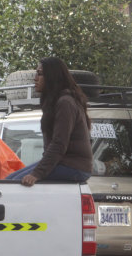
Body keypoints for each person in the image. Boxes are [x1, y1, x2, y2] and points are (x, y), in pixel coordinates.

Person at [6, 57, 93, 186]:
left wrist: (37, 173)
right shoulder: (56, 101)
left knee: (13, 184)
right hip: (64, 163)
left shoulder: (65, 102)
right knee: (8, 180)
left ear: (52, 77)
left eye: (40, 74)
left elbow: (59, 143)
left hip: (74, 166)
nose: (35, 78)